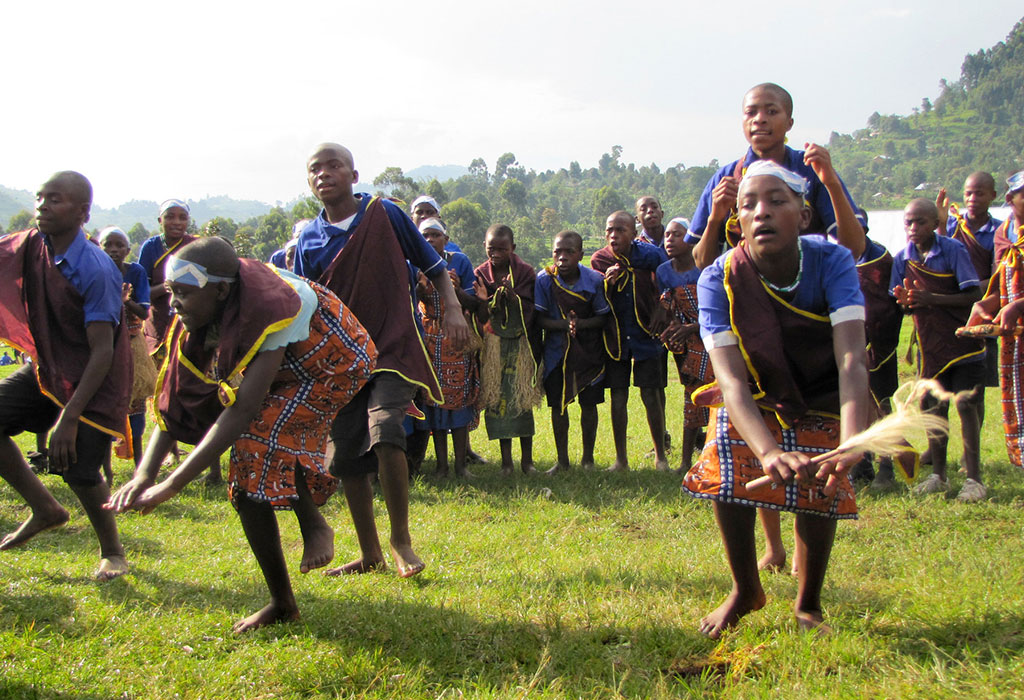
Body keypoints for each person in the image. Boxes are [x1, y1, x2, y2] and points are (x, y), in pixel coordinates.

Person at [106, 237, 376, 632]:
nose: (174, 303)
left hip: (334, 364)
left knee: (253, 441)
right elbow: (175, 402)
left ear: (220, 291)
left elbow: (244, 409)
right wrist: (145, 474)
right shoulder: (194, 320)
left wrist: (174, 484)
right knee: (247, 478)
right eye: (171, 293)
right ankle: (283, 603)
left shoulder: (276, 305)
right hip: (286, 368)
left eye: (183, 293)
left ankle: (313, 523)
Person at [683, 161, 869, 637]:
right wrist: (767, 451)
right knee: (729, 469)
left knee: (819, 484)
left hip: (821, 387)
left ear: (803, 217)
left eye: (776, 201)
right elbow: (731, 384)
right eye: (748, 206)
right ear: (737, 221)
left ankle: (809, 603)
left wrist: (849, 440)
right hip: (756, 389)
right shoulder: (718, 278)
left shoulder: (833, 262)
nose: (761, 213)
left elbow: (851, 358)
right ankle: (746, 589)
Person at [295, 143, 470, 577]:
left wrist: (452, 309)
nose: (324, 174)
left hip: (394, 343)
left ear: (354, 176)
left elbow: (433, 267)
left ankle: (401, 542)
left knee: (387, 425)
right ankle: (369, 552)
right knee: (347, 452)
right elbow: (305, 302)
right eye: (315, 169)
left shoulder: (385, 214)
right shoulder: (308, 239)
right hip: (341, 356)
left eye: (334, 166)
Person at [0, 171, 131, 580]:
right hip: (49, 367)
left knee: (77, 468)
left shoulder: (96, 269)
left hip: (96, 375)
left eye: (55, 199)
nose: (42, 206)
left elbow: (102, 350)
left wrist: (69, 417)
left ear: (82, 212)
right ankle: (46, 509)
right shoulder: (32, 246)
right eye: (40, 198)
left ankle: (113, 552)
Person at [686, 82, 865, 269]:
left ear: (790, 123)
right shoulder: (726, 178)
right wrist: (715, 218)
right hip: (746, 293)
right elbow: (701, 263)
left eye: (771, 112)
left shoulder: (812, 169)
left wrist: (832, 184)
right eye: (751, 112)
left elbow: (854, 250)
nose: (759, 119)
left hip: (809, 290)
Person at [891, 198, 985, 502]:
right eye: (908, 222)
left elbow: (973, 293)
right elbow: (904, 305)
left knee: (966, 404)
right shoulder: (902, 259)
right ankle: (938, 476)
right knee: (933, 408)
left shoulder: (953, 250)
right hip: (929, 345)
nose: (913, 228)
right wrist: (906, 302)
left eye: (920, 222)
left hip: (962, 342)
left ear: (935, 223)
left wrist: (930, 298)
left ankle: (974, 480)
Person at [590, 211, 669, 471]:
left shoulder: (651, 255)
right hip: (615, 339)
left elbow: (668, 286)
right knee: (618, 396)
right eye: (610, 230)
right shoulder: (600, 260)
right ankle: (621, 459)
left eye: (621, 230)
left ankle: (660, 457)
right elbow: (597, 302)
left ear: (634, 234)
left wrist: (662, 309)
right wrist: (607, 285)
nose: (614, 235)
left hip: (646, 333)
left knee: (651, 394)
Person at [534, 230, 614, 473]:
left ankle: (588, 459)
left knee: (589, 405)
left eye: (569, 252)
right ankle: (562, 460)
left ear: (580, 254)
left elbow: (602, 318)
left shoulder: (594, 281)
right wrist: (563, 326)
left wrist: (579, 325)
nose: (563, 257)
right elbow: (540, 319)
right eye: (558, 251)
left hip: (588, 353)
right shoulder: (545, 280)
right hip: (557, 354)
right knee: (559, 407)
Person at [472, 224, 540, 475]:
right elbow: (479, 315)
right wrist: (483, 301)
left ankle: (527, 461)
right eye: (492, 248)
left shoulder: (524, 273)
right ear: (484, 247)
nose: (496, 253)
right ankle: (506, 462)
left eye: (502, 249)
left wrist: (513, 297)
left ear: (513, 248)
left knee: (521, 401)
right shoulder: (480, 274)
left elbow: (533, 309)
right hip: (494, 345)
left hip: (519, 344)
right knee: (498, 402)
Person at [967, 170, 1024, 469]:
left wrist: (1018, 306)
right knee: (1016, 394)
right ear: (1010, 198)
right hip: (1014, 333)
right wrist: (984, 305)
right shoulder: (1005, 235)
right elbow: (1002, 285)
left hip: (1016, 317)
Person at [416, 217, 480, 479]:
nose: (430, 240)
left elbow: (474, 302)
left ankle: (460, 466)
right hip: (430, 341)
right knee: (435, 404)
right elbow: (412, 299)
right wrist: (419, 287)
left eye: (435, 235)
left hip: (457, 338)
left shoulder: (459, 263)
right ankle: (442, 466)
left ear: (446, 238)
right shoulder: (415, 265)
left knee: (461, 399)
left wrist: (456, 291)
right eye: (425, 236)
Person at [937, 172, 1004, 411]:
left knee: (975, 392)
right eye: (968, 193)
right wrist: (942, 224)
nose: (972, 198)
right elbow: (937, 261)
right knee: (938, 389)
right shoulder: (952, 225)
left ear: (993, 196)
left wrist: (969, 290)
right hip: (946, 313)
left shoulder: (1000, 232)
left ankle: (972, 446)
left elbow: (998, 277)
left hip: (980, 313)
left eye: (979, 193)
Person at [655, 217, 711, 474]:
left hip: (713, 337)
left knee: (715, 398)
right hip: (686, 343)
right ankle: (686, 462)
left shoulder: (707, 267)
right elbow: (669, 305)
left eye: (677, 235)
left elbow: (722, 310)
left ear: (692, 239)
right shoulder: (664, 271)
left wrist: (692, 327)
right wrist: (677, 326)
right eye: (667, 235)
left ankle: (711, 458)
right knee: (692, 397)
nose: (670, 240)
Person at [98, 226, 154, 469]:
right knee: (104, 404)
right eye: (108, 245)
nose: (113, 250)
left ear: (128, 249)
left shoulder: (136, 272)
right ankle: (105, 468)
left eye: (119, 245)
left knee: (136, 404)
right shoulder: (96, 270)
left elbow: (143, 312)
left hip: (131, 344)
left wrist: (125, 300)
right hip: (103, 343)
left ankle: (140, 466)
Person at [138, 199, 196, 354]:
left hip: (189, 321)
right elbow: (141, 293)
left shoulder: (196, 246)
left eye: (182, 218)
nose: (177, 222)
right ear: (160, 220)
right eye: (170, 217)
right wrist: (168, 286)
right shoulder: (151, 247)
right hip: (159, 322)